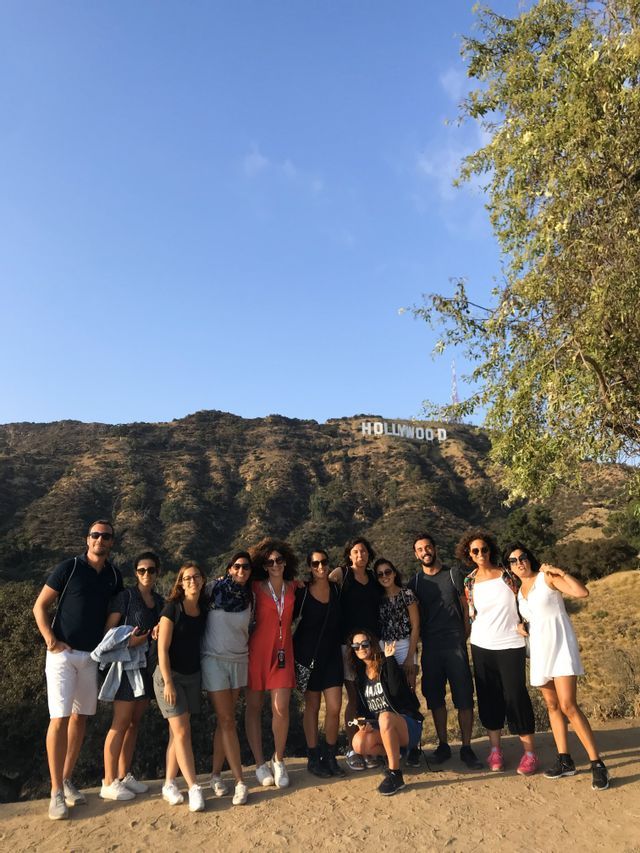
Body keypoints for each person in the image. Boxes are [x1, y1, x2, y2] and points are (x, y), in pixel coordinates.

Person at [33, 519, 124, 821]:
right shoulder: (69, 568)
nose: (100, 540)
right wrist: (50, 640)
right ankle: (55, 791)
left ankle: (67, 779)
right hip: (62, 654)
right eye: (95, 535)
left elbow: (117, 609)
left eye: (106, 536)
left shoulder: (113, 575)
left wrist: (108, 640)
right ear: (87, 540)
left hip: (91, 656)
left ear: (112, 542)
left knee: (80, 718)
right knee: (58, 719)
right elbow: (40, 606)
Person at [505, 541, 610, 790]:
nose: (519, 562)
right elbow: (532, 617)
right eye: (513, 560)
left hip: (561, 647)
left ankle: (597, 764)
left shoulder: (546, 578)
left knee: (568, 705)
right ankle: (565, 760)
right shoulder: (520, 591)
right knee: (552, 705)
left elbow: (581, 592)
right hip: (540, 650)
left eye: (522, 557)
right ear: (509, 566)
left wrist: (561, 573)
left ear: (529, 558)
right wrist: (523, 627)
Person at [456, 529, 538, 775]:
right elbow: (470, 613)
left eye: (484, 549)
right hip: (482, 646)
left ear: (490, 549)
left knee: (516, 696)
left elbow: (526, 597)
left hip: (511, 644)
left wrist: (527, 624)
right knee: (489, 698)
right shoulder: (469, 581)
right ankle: (495, 750)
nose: (481, 554)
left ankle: (530, 753)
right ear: (468, 555)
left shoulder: (508, 575)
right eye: (475, 551)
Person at [408, 533, 481, 769]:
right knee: (435, 699)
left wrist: (464, 634)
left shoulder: (453, 574)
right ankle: (443, 745)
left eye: (428, 547)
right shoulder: (416, 583)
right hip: (430, 648)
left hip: (455, 646)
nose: (425, 552)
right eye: (420, 549)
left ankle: (467, 747)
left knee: (464, 698)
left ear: (435, 548)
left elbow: (465, 604)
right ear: (416, 554)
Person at [100, 550, 164, 801]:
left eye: (151, 570)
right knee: (120, 722)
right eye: (141, 570)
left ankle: (124, 774)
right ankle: (108, 781)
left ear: (158, 573)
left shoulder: (158, 601)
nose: (146, 574)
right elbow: (109, 632)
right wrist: (131, 640)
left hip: (146, 669)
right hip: (126, 668)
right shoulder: (126, 597)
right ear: (136, 573)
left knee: (134, 723)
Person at [154, 562, 207, 812]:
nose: (192, 581)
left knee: (179, 733)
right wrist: (168, 682)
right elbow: (162, 649)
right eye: (187, 578)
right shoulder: (172, 609)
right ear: (180, 583)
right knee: (182, 732)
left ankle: (168, 784)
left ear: (203, 580)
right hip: (170, 677)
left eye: (196, 576)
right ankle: (194, 786)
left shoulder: (204, 607)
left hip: (192, 676)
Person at [245, 538, 298, 789]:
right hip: (257, 653)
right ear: (263, 565)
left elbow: (325, 580)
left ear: (286, 562)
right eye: (270, 561)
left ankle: (278, 759)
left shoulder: (295, 587)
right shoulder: (255, 587)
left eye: (279, 560)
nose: (275, 564)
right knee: (254, 708)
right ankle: (259, 764)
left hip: (283, 654)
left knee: (281, 708)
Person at [202, 551, 253, 806]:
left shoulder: (249, 597)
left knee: (226, 721)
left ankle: (214, 775)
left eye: (246, 567)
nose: (241, 571)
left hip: (239, 661)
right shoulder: (212, 589)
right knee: (228, 720)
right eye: (237, 566)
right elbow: (184, 603)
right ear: (229, 568)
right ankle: (240, 782)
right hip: (213, 660)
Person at [349, 630, 423, 796]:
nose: (361, 648)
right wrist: (363, 723)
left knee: (385, 716)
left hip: (407, 725)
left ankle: (395, 774)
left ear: (372, 645)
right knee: (359, 743)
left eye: (364, 644)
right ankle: (398, 753)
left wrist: (390, 660)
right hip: (384, 727)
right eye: (356, 646)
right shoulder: (360, 677)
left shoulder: (386, 663)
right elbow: (362, 709)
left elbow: (398, 693)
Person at [329, 537, 382, 771]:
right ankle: (352, 746)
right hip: (349, 645)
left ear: (369, 555)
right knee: (353, 697)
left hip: (372, 644)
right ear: (349, 555)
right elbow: (322, 582)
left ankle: (369, 746)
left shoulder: (373, 579)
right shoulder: (342, 574)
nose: (360, 555)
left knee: (371, 695)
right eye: (356, 552)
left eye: (364, 551)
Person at [293, 549, 345, 778]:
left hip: (332, 656)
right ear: (310, 567)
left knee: (334, 707)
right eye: (316, 564)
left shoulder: (335, 587)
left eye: (324, 562)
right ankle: (313, 756)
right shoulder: (302, 592)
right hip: (308, 656)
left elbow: (346, 571)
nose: (321, 567)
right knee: (312, 708)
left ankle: (330, 755)